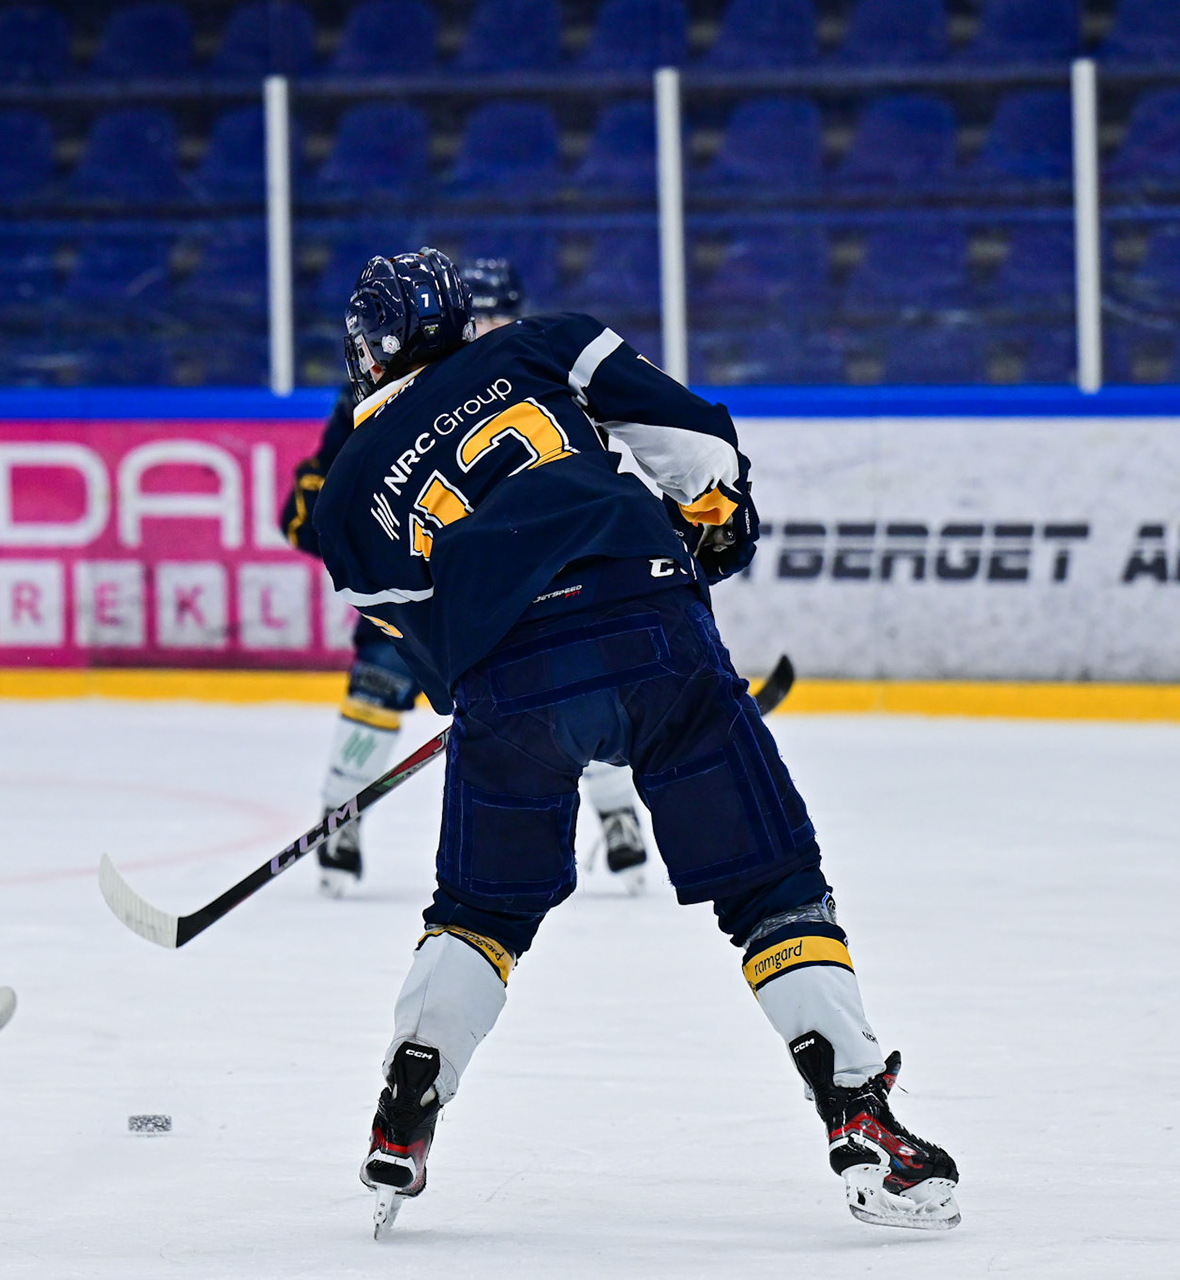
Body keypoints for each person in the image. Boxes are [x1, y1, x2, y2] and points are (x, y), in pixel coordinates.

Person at [308, 249, 960, 1235]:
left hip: (508, 685)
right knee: (773, 884)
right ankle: (859, 1113)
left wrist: (490, 685)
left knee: (480, 910)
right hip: (649, 624)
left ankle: (407, 1104)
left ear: (369, 346)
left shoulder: (349, 484)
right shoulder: (545, 344)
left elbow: (414, 629)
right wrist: (716, 519)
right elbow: (697, 443)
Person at [283, 258, 651, 898]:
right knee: (379, 682)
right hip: (427, 590)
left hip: (531, 583)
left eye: (499, 315)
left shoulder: (527, 370)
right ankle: (342, 814)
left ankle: (618, 812)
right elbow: (313, 511)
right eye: (479, 316)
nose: (488, 327)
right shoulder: (377, 400)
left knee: (579, 679)